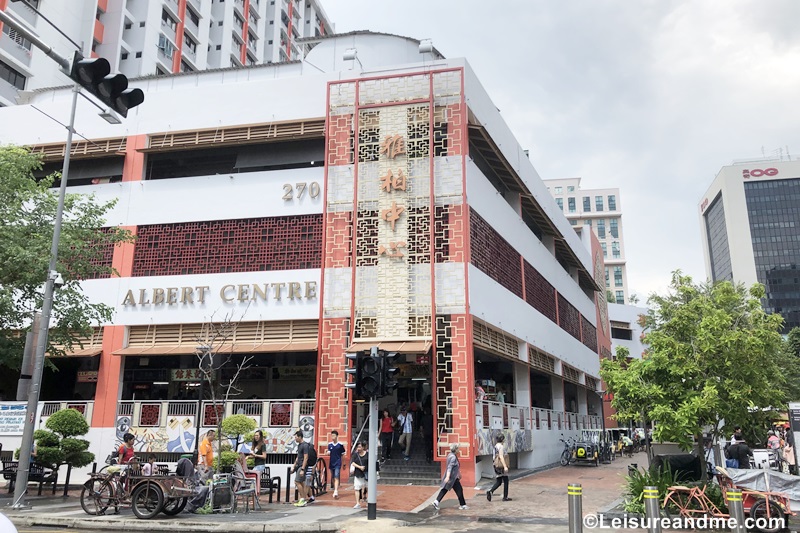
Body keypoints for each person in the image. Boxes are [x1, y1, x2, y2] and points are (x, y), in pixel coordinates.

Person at [432, 443, 468, 510]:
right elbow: (450, 467)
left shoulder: (450, 455)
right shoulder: (453, 457)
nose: (459, 450)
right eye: (458, 448)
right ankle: (463, 504)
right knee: (459, 490)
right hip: (453, 478)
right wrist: (448, 477)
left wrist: (459, 474)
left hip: (453, 477)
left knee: (445, 489)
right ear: (455, 449)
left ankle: (436, 502)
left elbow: (455, 467)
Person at [289, 430, 313, 507]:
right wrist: (294, 465)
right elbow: (298, 456)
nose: (295, 439)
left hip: (302, 466)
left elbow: (306, 457)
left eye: (296, 437)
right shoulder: (299, 445)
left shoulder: (305, 445)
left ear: (300, 437)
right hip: (299, 465)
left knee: (297, 481)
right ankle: (303, 499)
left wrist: (302, 469)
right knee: (301, 483)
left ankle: (303, 499)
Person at [487, 434, 512, 502]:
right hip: (501, 466)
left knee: (499, 481)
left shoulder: (495, 446)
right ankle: (505, 497)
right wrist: (505, 466)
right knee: (506, 480)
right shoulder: (501, 447)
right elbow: (501, 456)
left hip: (496, 465)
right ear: (502, 440)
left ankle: (490, 491)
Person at [326, 430, 345, 499]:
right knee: (333, 476)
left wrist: (344, 463)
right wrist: (327, 452)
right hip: (331, 462)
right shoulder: (330, 444)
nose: (332, 437)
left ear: (337, 436)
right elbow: (328, 452)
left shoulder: (340, 445)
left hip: (338, 462)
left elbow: (343, 454)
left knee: (336, 476)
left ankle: (336, 490)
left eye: (334, 435)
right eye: (332, 435)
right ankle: (335, 488)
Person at [351, 441, 368, 509]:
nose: (358, 448)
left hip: (366, 473)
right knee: (357, 488)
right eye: (357, 447)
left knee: (368, 487)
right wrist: (359, 467)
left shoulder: (367, 454)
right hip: (358, 473)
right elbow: (353, 463)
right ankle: (358, 503)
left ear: (363, 447)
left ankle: (368, 501)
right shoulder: (355, 455)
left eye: (360, 447)